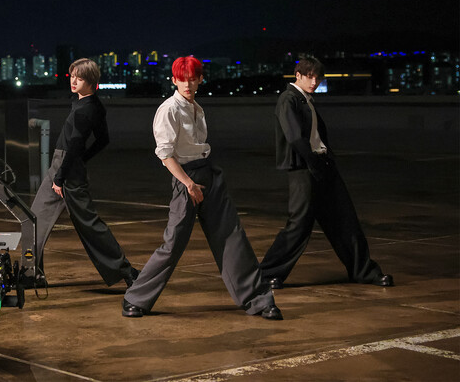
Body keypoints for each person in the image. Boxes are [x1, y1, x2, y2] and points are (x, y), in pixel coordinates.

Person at [122, 56, 282, 319]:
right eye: (182, 78)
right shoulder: (168, 109)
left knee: (232, 236)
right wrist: (188, 184)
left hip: (208, 173)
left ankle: (259, 300)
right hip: (186, 177)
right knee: (173, 243)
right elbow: (164, 155)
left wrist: (204, 180)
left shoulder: (197, 107)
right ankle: (135, 298)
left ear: (199, 79)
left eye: (192, 78)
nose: (187, 83)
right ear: (174, 80)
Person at [260, 56, 393, 289]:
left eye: (318, 77)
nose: (314, 81)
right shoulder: (288, 99)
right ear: (297, 75)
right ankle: (266, 274)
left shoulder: (305, 100)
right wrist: (312, 163)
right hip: (304, 169)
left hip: (323, 165)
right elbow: (294, 137)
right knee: (299, 225)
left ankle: (364, 271)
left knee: (345, 220)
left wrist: (325, 160)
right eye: (309, 76)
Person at [25, 58, 138, 288]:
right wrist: (80, 161)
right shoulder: (91, 104)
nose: (74, 81)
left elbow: (76, 143)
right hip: (67, 165)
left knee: (88, 224)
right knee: (33, 218)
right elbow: (103, 139)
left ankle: (128, 271)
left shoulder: (85, 109)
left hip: (65, 169)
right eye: (72, 76)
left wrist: (61, 176)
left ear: (92, 81)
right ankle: (31, 274)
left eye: (80, 77)